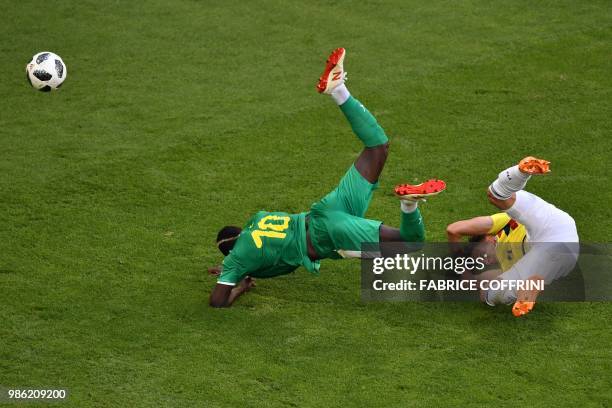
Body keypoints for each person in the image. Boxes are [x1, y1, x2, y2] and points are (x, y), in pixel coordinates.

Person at [208, 48, 445, 307]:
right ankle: (339, 90)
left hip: (330, 235)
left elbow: (217, 301)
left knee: (411, 244)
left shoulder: (238, 259)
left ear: (230, 254)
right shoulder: (260, 218)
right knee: (378, 148)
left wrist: (237, 281)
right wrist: (235, 268)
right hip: (326, 211)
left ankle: (408, 204)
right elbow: (255, 248)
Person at [446, 157, 579, 316]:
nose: (486, 261)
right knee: (489, 295)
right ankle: (531, 284)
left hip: (553, 225)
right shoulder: (506, 265)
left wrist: (459, 263)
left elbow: (453, 230)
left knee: (496, 194)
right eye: (482, 262)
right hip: (558, 255)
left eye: (482, 255)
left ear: (489, 237)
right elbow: (476, 281)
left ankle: (522, 171)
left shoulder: (502, 224)